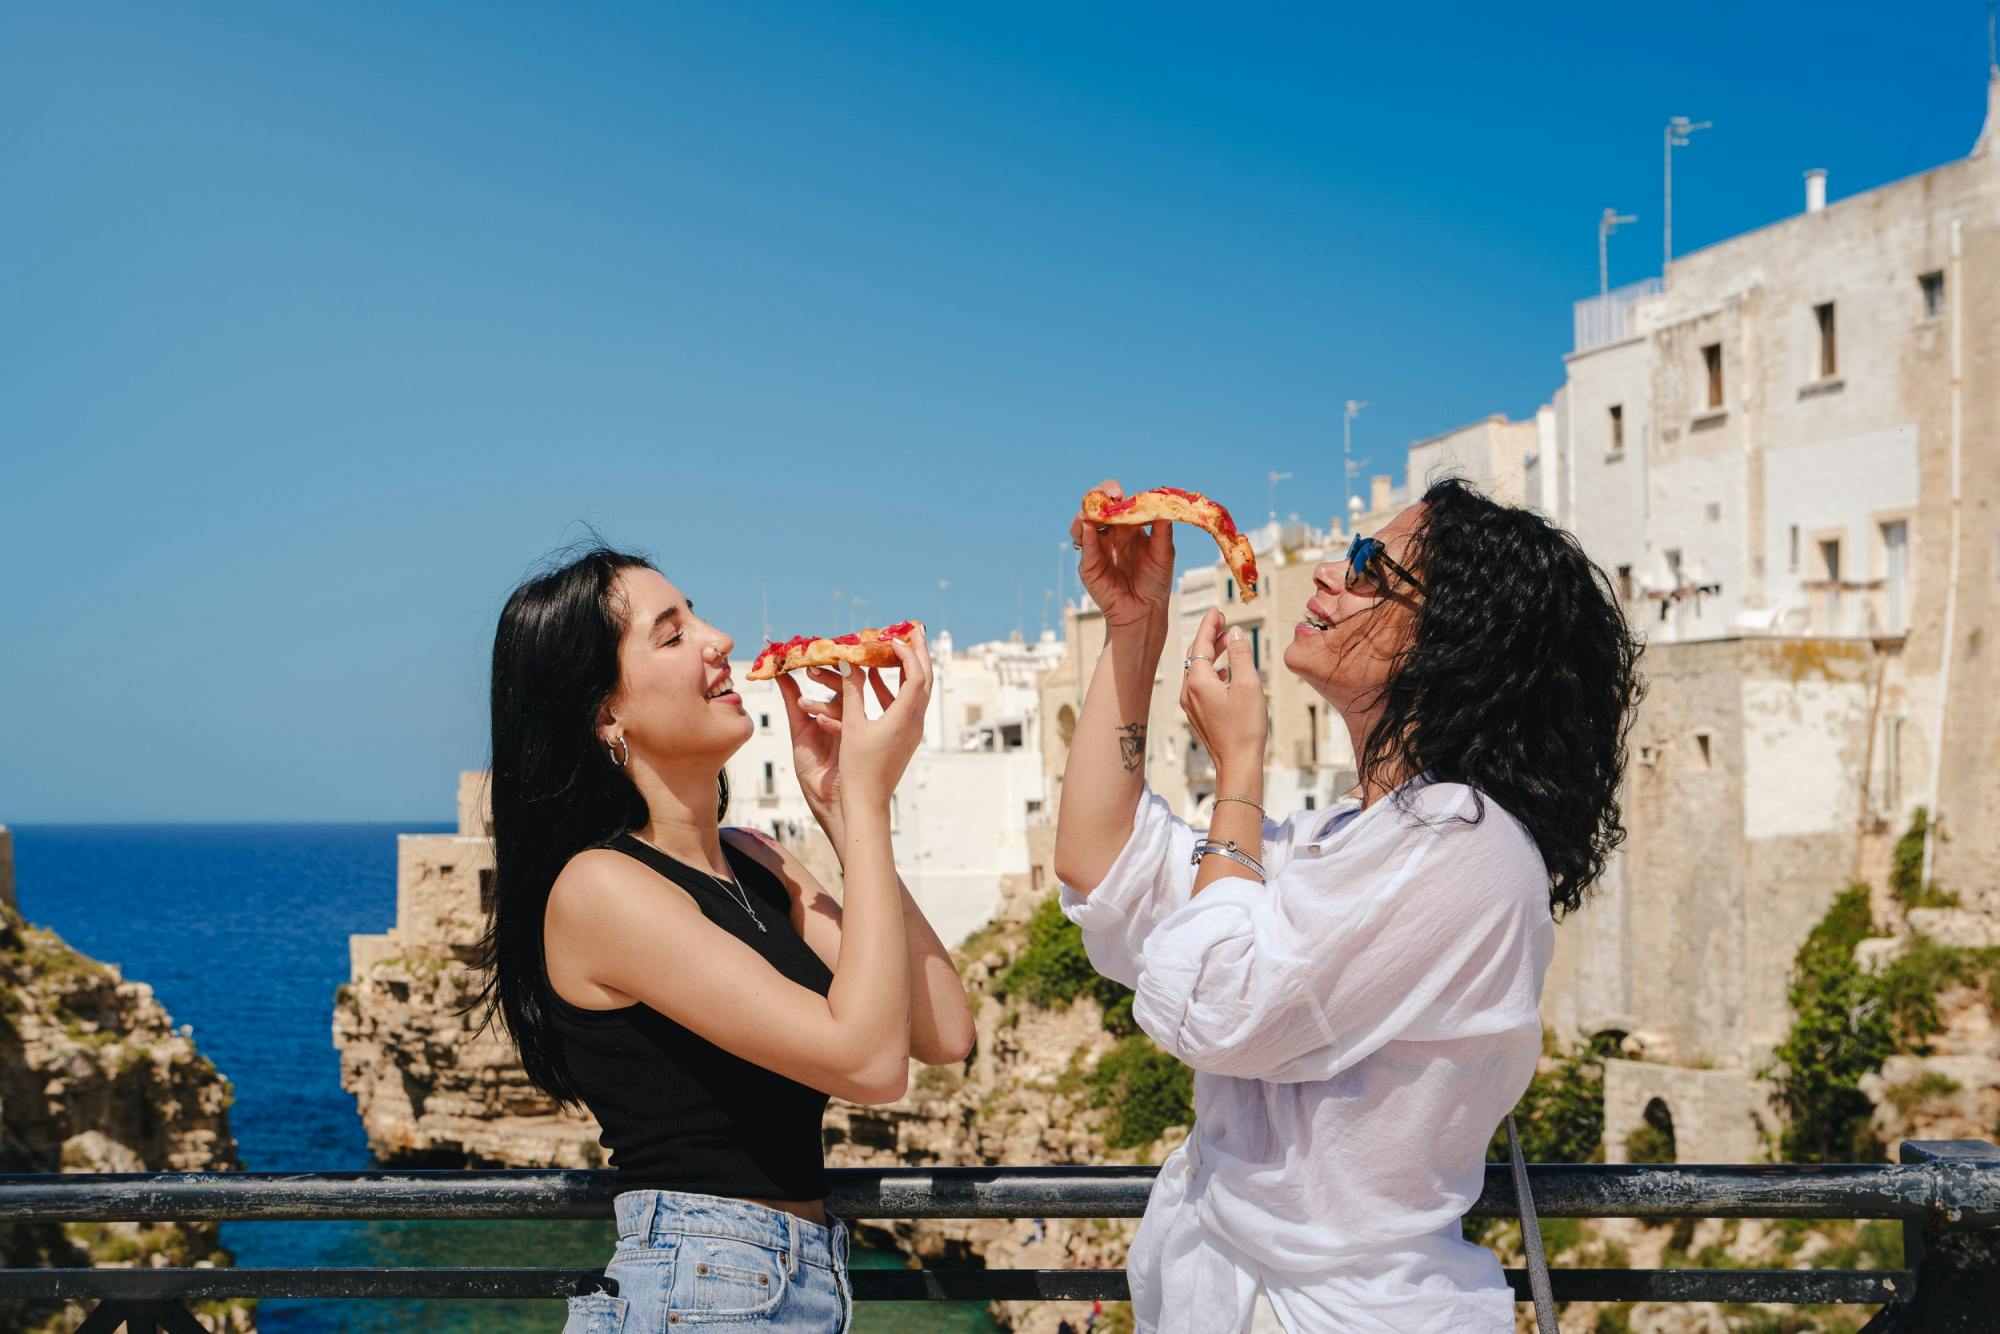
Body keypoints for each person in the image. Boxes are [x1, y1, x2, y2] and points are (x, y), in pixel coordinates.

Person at [1055, 478, 1641, 1333]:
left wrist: (1240, 770)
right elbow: (1101, 861)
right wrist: (1134, 626)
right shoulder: (1341, 838)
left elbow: (1216, 1008)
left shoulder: (1466, 845)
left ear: (1450, 641)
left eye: (1371, 566)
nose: (1331, 572)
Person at [470, 547, 976, 1332]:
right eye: (673, 635)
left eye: (698, 616)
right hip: (700, 1287)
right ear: (606, 715)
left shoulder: (757, 860)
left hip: (781, 1286)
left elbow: (943, 1030)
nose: (720, 640)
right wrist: (872, 804)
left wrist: (844, 814)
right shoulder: (601, 888)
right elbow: (871, 1066)